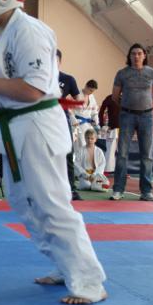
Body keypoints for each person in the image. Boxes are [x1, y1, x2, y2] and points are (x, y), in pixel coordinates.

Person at [0, 0, 106, 305]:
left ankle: (89, 282)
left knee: (51, 204)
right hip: (15, 126)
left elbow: (33, 89)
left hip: (36, 125)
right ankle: (65, 265)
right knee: (23, 202)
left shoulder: (29, 31)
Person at [110, 43, 153, 201]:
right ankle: (118, 190)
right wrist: (127, 107)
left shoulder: (151, 72)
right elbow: (115, 96)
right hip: (127, 116)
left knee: (147, 155)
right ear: (129, 56)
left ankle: (146, 192)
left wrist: (149, 107)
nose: (136, 56)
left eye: (139, 53)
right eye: (133, 53)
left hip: (146, 117)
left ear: (144, 55)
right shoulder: (122, 73)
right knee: (122, 154)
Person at [56, 49, 83, 200]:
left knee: (67, 153)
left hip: (61, 120)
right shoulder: (39, 78)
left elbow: (78, 100)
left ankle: (71, 189)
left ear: (60, 62)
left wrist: (66, 103)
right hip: (42, 121)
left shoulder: (68, 79)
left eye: (55, 60)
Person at [72, 79, 99, 150]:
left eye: (93, 91)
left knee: (89, 145)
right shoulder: (76, 94)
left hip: (88, 125)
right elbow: (70, 110)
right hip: (78, 124)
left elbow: (94, 110)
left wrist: (96, 119)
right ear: (86, 86)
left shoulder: (92, 97)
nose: (91, 92)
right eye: (90, 90)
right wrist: (73, 120)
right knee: (80, 145)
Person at [98, 93, 120, 173]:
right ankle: (108, 169)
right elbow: (101, 112)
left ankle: (121, 169)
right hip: (112, 128)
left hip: (124, 128)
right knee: (110, 150)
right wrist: (102, 124)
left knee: (121, 151)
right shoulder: (109, 98)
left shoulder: (127, 97)